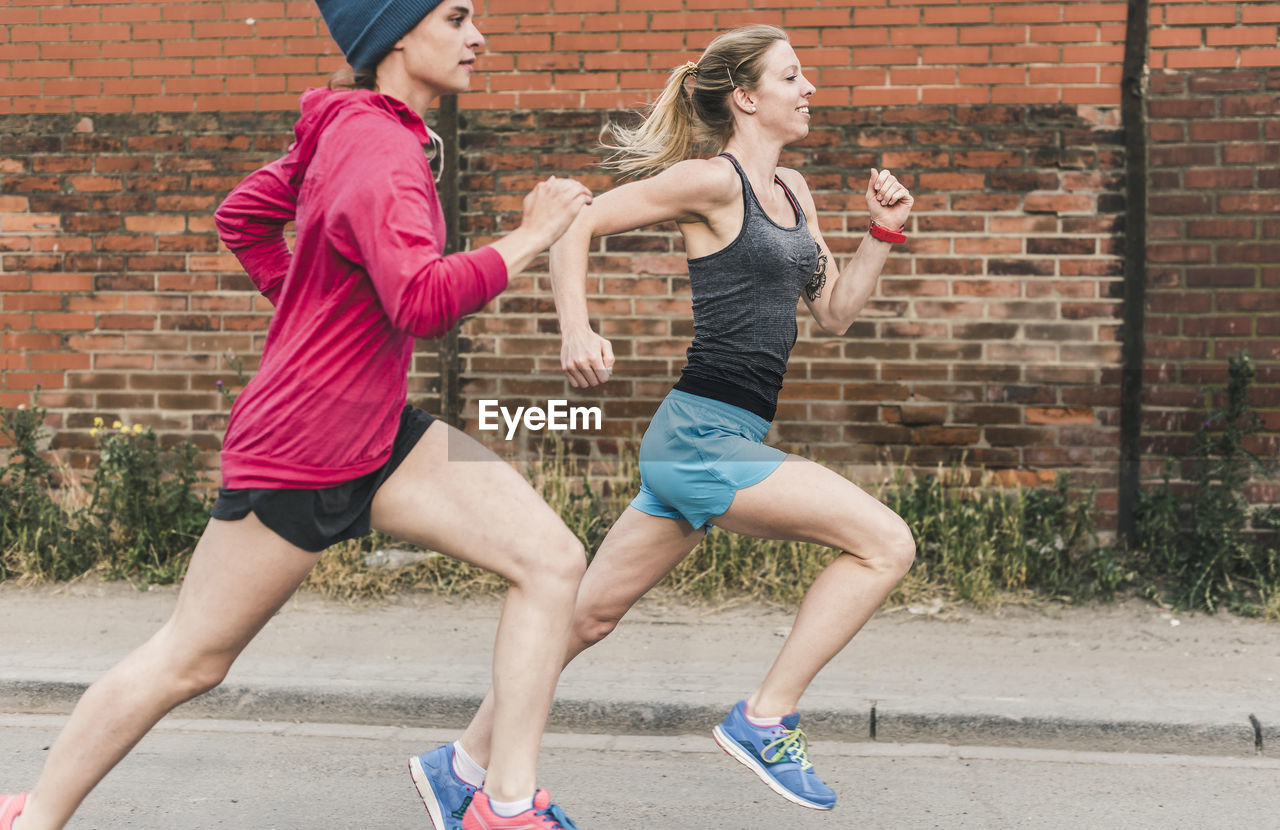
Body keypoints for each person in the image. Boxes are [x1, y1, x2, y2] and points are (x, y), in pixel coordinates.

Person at [0, 2, 593, 829]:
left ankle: (502, 801)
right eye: (456, 16)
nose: (478, 35)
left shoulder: (356, 129)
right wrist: (531, 236)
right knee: (191, 657)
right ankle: (35, 817)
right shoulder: (381, 151)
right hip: (303, 446)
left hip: (380, 429)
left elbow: (242, 217)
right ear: (392, 35)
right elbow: (422, 301)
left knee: (553, 561)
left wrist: (312, 318)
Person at [407, 23, 917, 821]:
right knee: (886, 543)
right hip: (699, 440)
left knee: (586, 617)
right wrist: (576, 328)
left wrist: (882, 231)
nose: (809, 88)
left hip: (724, 439)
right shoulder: (712, 183)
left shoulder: (795, 194)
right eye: (792, 77)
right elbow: (575, 221)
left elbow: (835, 313)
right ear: (747, 98)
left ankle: (462, 763)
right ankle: (764, 719)